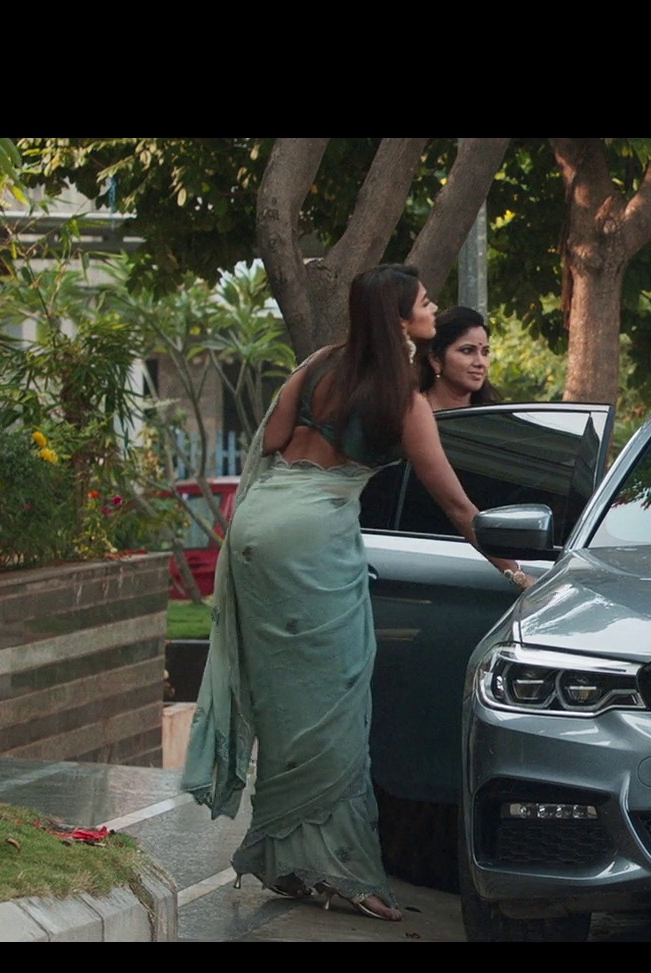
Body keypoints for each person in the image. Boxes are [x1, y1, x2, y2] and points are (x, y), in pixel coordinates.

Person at [180, 264, 526, 922]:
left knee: (285, 700)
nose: (433, 309)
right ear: (401, 318)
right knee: (334, 706)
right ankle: (345, 874)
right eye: (425, 302)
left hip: (259, 527)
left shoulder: (318, 366)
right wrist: (516, 573)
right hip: (313, 539)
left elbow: (273, 441)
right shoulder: (404, 401)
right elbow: (458, 507)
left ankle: (289, 861)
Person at [418, 305, 500, 411]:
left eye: (485, 352)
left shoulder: (493, 415)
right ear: (436, 360)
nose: (480, 363)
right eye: (467, 351)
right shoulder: (409, 413)